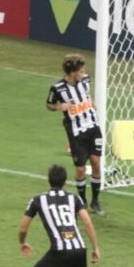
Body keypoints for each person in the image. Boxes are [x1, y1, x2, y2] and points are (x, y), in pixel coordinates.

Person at [46, 54, 104, 214]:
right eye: (80, 70)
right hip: (76, 132)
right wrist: (59, 107)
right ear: (72, 72)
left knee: (96, 162)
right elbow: (49, 105)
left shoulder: (85, 80)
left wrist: (92, 104)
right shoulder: (57, 88)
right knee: (80, 170)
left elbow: (87, 94)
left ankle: (95, 201)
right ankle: (82, 201)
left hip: (93, 127)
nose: (83, 73)